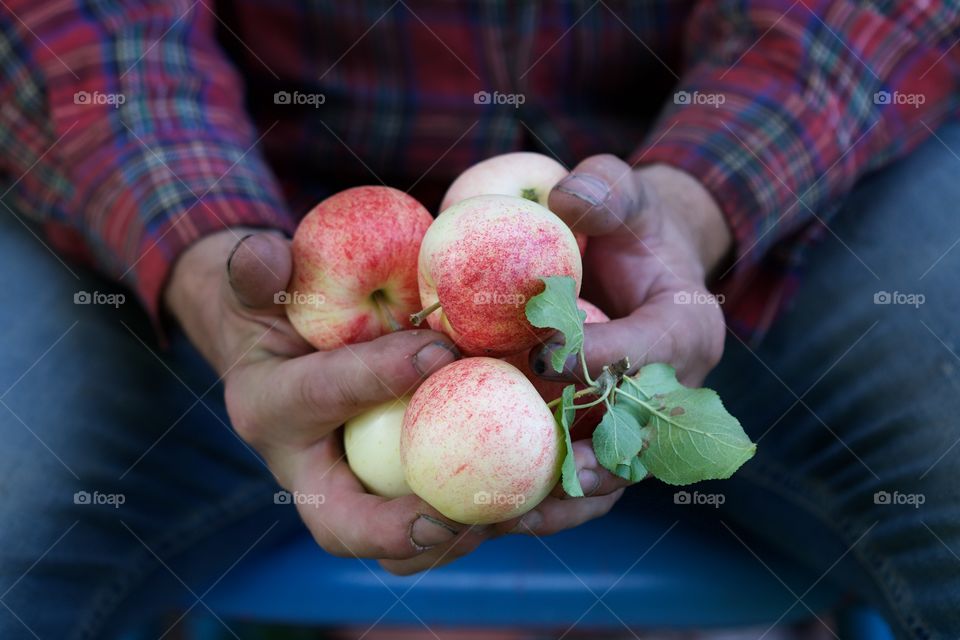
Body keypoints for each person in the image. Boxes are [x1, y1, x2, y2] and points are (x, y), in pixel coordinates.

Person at [0, 1, 957, 638]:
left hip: (728, 216)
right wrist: (208, 264)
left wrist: (695, 204)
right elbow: (85, 29)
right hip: (269, 250)